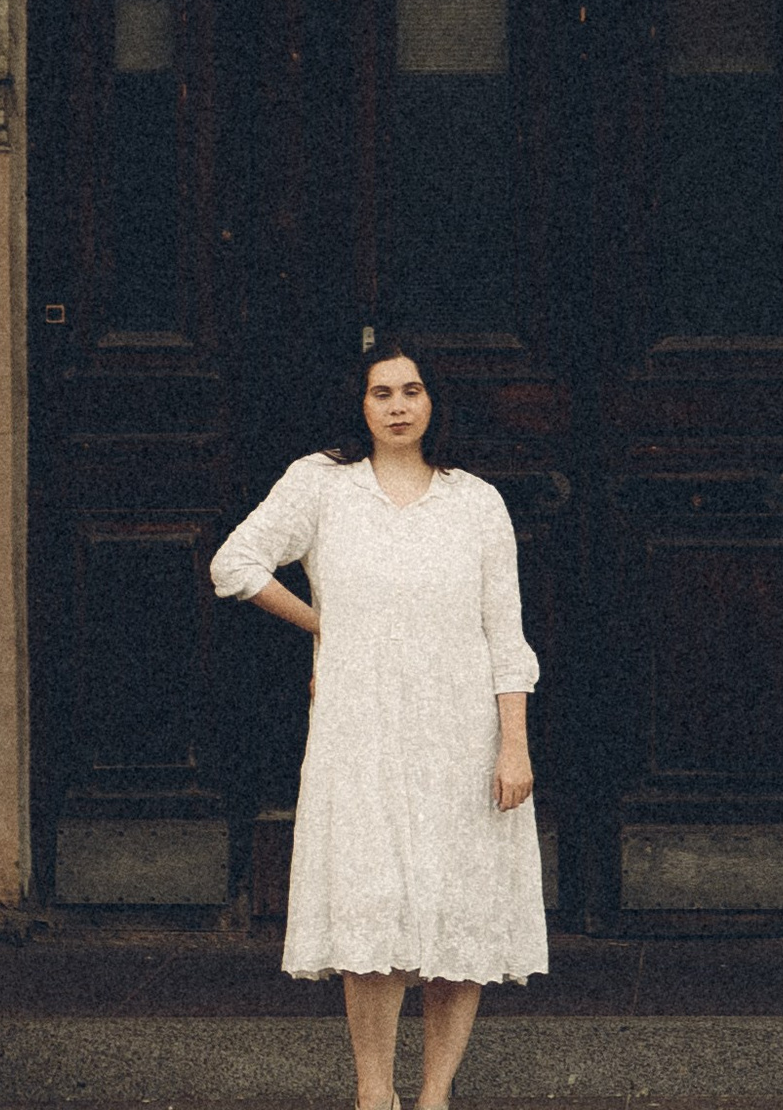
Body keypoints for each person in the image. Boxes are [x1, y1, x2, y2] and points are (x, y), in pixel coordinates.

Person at [210, 333, 546, 1110]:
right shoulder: (323, 486)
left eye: (412, 391)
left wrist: (513, 747)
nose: (398, 406)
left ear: (435, 402)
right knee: (372, 911)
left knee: (459, 916)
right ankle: (373, 1094)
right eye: (381, 393)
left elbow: (507, 635)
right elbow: (235, 564)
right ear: (359, 404)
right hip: (361, 733)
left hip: (462, 736)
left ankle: (434, 1096)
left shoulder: (475, 501)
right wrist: (322, 625)